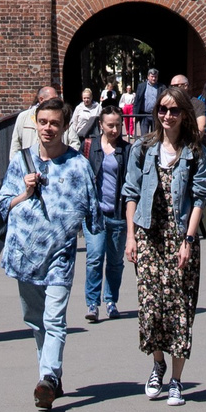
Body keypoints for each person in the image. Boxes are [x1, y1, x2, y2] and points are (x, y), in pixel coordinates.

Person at [0, 97, 98, 410]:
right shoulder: (20, 162)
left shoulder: (78, 165)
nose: (48, 128)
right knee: (35, 320)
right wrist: (24, 193)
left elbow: (93, 213)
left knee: (53, 319)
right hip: (24, 255)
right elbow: (3, 205)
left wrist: (99, 249)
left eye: (54, 123)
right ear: (35, 124)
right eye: (43, 122)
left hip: (59, 256)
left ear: (65, 126)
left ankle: (48, 379)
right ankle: (50, 375)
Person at [126, 84, 206, 405]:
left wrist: (189, 239)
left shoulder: (196, 153)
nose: (167, 115)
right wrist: (130, 236)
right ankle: (157, 365)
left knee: (180, 308)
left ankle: (177, 380)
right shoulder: (143, 148)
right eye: (162, 109)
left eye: (174, 110)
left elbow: (199, 199)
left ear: (184, 114)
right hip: (149, 236)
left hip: (180, 238)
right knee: (151, 307)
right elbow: (131, 193)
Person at [81, 115, 130, 321]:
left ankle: (111, 300)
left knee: (115, 262)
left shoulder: (126, 150)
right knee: (94, 257)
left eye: (118, 125)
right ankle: (92, 303)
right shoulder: (89, 147)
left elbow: (131, 183)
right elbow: (80, 176)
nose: (114, 129)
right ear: (101, 125)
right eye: (110, 125)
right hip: (95, 215)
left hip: (118, 213)